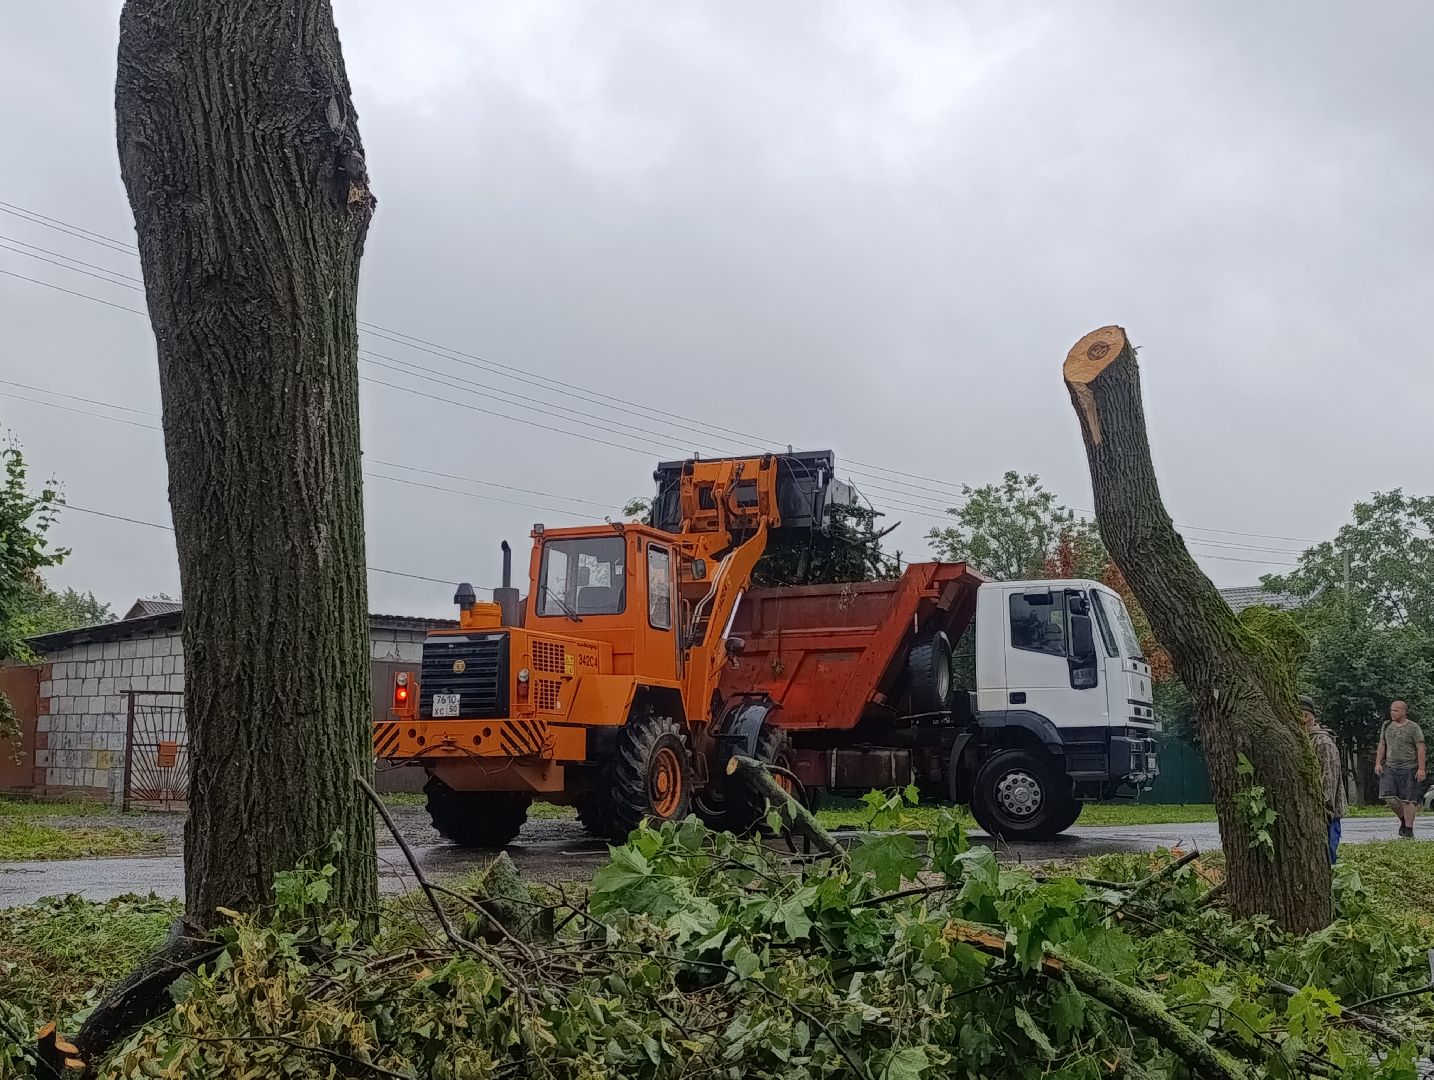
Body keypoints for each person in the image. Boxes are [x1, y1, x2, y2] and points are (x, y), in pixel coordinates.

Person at [1300, 695, 1344, 863]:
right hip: (1310, 814)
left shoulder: (1322, 742)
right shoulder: (1304, 740)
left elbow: (1328, 781)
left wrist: (1324, 814)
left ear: (1306, 716)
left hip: (1327, 816)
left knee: (1327, 859)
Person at [1374, 700, 1426, 838]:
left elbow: (1420, 747)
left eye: (1396, 710)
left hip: (1409, 767)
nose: (1393, 713)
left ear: (1404, 711)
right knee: (1388, 797)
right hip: (1390, 765)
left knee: (1408, 800)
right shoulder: (1386, 726)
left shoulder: (1413, 727)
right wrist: (1378, 763)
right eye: (1391, 710)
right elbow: (1382, 744)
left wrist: (1421, 769)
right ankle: (1403, 819)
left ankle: (1408, 829)